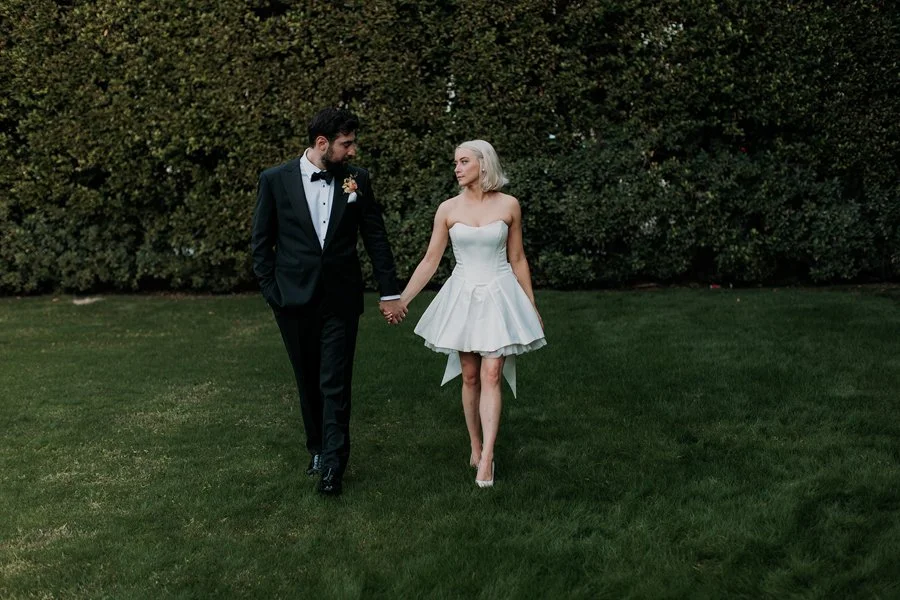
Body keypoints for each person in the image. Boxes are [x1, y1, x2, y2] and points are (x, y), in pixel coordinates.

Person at [251, 107, 407, 496]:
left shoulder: (358, 180)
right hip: (292, 300)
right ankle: (317, 448)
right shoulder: (274, 180)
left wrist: (390, 291)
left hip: (340, 298)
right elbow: (260, 244)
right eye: (346, 144)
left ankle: (334, 465)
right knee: (307, 380)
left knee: (335, 381)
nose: (352, 152)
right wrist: (274, 295)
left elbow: (376, 237)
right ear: (322, 143)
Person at [393, 140, 546, 488]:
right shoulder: (447, 208)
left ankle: (488, 457)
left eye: (464, 162)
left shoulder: (509, 205)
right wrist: (404, 299)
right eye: (456, 162)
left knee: (493, 372)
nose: (457, 168)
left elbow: (518, 258)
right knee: (470, 374)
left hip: (499, 292)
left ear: (483, 164)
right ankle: (474, 444)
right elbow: (431, 260)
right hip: (463, 294)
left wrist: (531, 304)